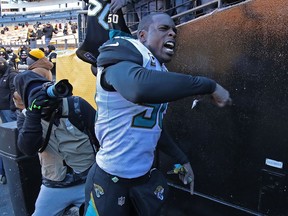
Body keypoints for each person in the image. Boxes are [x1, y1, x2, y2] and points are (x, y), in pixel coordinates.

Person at [84, 12, 231, 215]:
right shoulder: (126, 51)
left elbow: (151, 126)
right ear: (142, 36)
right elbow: (137, 88)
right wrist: (208, 85)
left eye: (174, 31)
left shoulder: (160, 71)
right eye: (164, 29)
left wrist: (181, 158)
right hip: (109, 179)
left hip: (143, 178)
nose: (172, 34)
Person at [14, 71, 98, 216]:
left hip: (89, 180)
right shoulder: (27, 116)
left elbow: (102, 137)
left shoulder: (76, 105)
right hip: (54, 185)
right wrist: (34, 114)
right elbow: (28, 149)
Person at [0, 57, 18, 185]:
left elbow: (14, 92)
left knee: (10, 137)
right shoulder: (3, 74)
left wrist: (12, 107)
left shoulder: (11, 74)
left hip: (8, 110)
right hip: (3, 108)